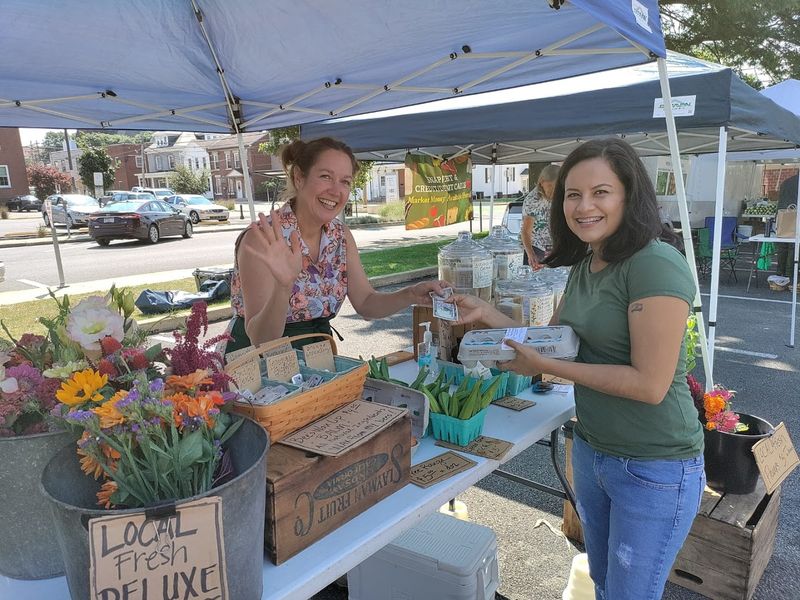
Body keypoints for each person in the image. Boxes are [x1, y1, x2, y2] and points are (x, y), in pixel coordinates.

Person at [451, 139, 704, 600]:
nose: (583, 206)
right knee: (605, 585)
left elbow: (649, 385)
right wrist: (486, 315)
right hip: (592, 451)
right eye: (572, 194)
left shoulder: (654, 264)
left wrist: (547, 367)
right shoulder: (589, 263)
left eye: (600, 192)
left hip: (654, 465)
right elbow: (551, 342)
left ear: (630, 195)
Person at [226, 136, 449, 354]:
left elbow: (366, 302)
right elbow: (260, 339)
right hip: (256, 367)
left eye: (345, 181)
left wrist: (411, 294)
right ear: (298, 178)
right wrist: (283, 288)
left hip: (316, 356)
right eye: (325, 176)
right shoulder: (263, 237)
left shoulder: (340, 236)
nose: (336, 190)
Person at [520, 164, 559, 269]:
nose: (554, 192)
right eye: (551, 186)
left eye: (558, 187)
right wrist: (531, 255)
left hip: (554, 247)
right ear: (542, 182)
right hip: (536, 248)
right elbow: (526, 231)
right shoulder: (533, 200)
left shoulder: (559, 195)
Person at [776, 173, 799, 278]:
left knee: (782, 245)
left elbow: (780, 200)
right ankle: (789, 274)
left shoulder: (786, 182)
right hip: (795, 217)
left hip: (782, 216)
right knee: (793, 246)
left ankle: (780, 272)